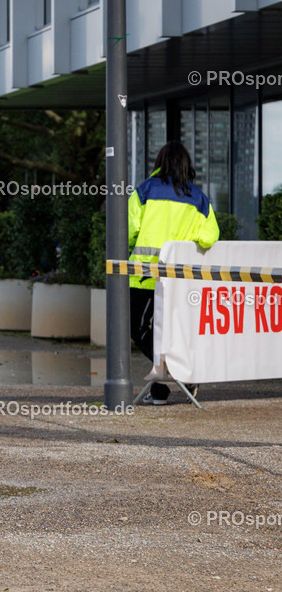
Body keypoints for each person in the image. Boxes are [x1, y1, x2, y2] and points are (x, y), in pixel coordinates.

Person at [128, 141, 219, 405]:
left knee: (139, 329)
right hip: (179, 281)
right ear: (186, 165)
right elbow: (210, 236)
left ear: (160, 163)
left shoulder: (145, 190)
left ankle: (173, 377)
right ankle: (165, 386)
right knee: (168, 331)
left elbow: (129, 229)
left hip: (144, 276)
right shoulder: (199, 198)